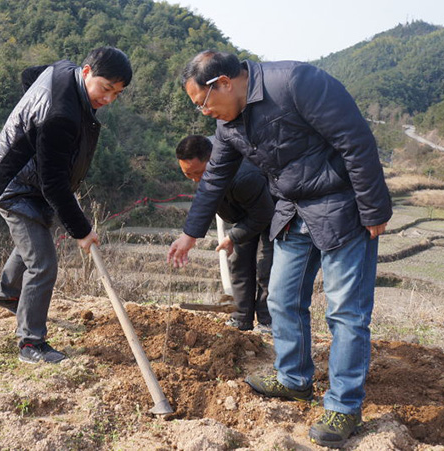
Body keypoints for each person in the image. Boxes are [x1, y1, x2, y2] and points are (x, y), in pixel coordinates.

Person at [167, 50, 391, 448]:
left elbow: (355, 140)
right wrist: (190, 234)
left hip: (341, 206)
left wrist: (373, 207)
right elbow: (214, 178)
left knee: (345, 312)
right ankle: (293, 378)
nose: (203, 112)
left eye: (202, 102)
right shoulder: (229, 127)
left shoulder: (294, 82)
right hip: (292, 210)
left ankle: (343, 404)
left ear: (223, 83)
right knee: (283, 299)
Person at [0, 47, 132, 364]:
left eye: (116, 93)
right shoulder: (60, 115)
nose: (108, 100)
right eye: (106, 89)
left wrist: (33, 130)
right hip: (14, 185)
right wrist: (82, 230)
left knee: (34, 240)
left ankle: (7, 292)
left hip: (28, 179)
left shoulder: (65, 70)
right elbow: (53, 185)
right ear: (87, 72)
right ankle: (30, 344)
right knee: (43, 263)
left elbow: (29, 76)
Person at [176, 135, 274, 332]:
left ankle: (267, 322)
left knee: (266, 267)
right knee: (239, 263)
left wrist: (233, 236)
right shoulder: (210, 170)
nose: (196, 180)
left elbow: (263, 215)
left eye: (199, 173)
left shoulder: (244, 176)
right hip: (244, 212)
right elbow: (206, 200)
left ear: (212, 159)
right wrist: (190, 235)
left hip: (272, 212)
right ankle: (241, 319)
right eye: (188, 175)